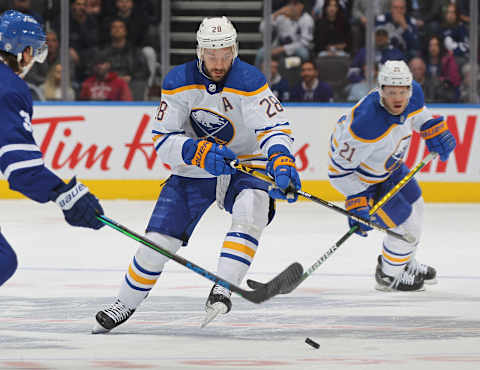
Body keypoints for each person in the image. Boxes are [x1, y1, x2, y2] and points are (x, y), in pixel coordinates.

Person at [92, 16, 301, 334]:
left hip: (245, 162)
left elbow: (273, 127)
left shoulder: (250, 79)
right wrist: (195, 151)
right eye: (211, 54)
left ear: (235, 49)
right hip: (193, 169)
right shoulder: (178, 80)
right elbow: (162, 140)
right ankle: (125, 301)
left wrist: (282, 158)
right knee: (156, 243)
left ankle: (223, 286)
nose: (218, 63)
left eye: (225, 54)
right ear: (199, 51)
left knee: (252, 208)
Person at [327, 60, 456, 292]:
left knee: (418, 206)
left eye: (402, 91)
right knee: (407, 226)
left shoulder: (413, 94)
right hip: (365, 181)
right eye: (391, 92)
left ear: (409, 88)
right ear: (380, 90)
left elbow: (418, 114)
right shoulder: (365, 126)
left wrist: (432, 129)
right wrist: (356, 199)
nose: (398, 98)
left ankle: (404, 262)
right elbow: (337, 172)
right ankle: (389, 275)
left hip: (390, 166)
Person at [0, 10, 104, 287]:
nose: (33, 60)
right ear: (22, 50)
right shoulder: (8, 88)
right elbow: (21, 169)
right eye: (33, 52)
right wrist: (65, 194)